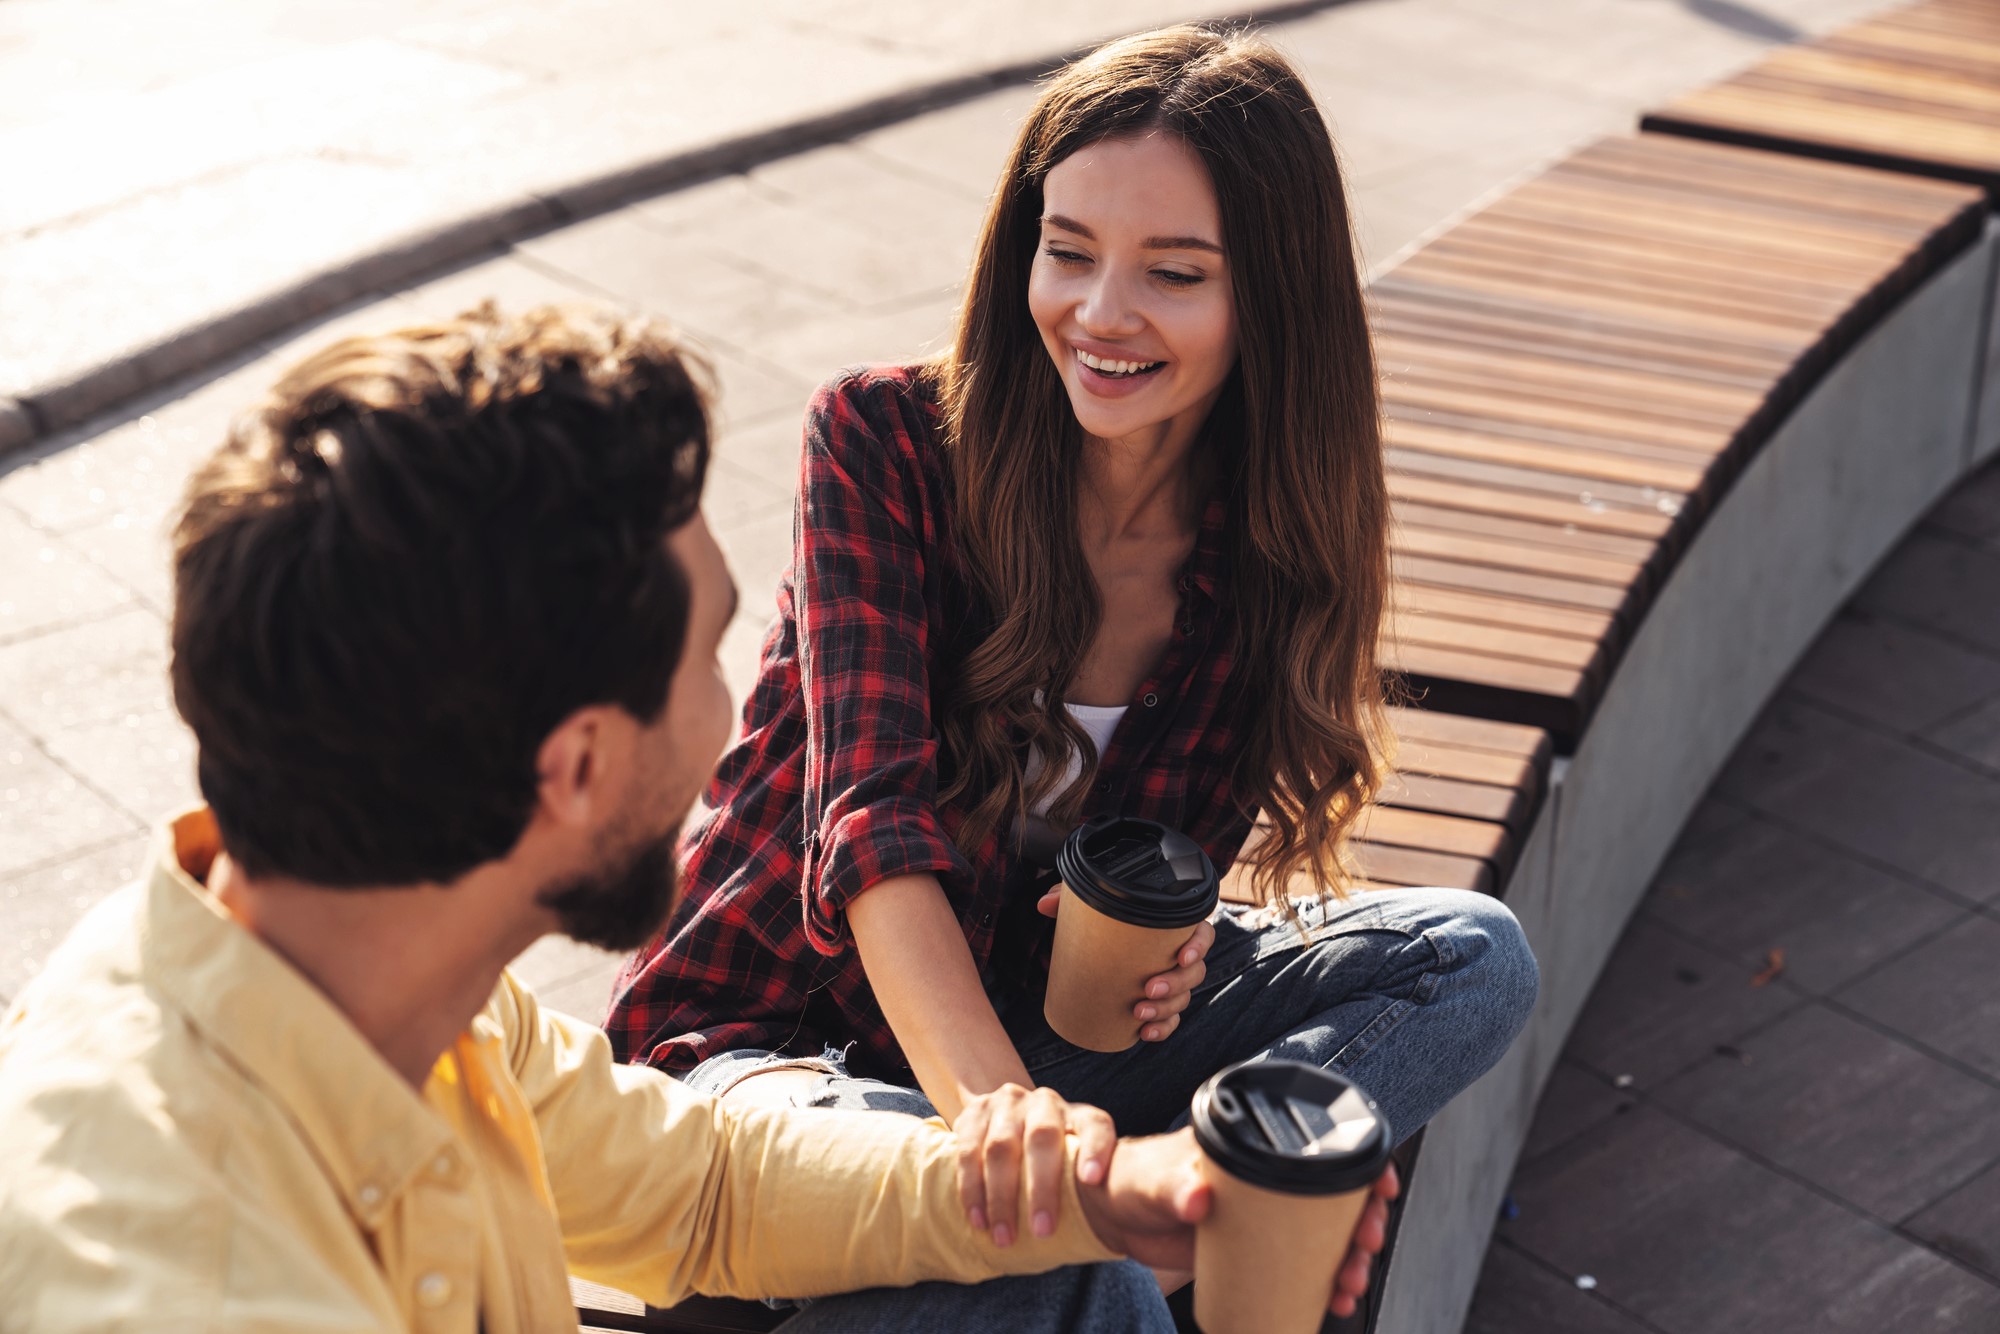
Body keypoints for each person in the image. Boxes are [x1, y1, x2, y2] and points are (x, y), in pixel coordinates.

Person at [0, 306, 1395, 1333]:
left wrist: (1108, 1186)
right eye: (711, 655)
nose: (737, 716)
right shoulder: (187, 1277)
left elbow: (706, 1181)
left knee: (1076, 1279)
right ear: (581, 766)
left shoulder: (355, 968)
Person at [609, 20, 1539, 1304]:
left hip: (1029, 1044)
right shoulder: (884, 442)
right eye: (1068, 251)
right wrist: (1019, 1136)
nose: (1099, 315)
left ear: (1268, 295)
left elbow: (1138, 889)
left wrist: (1152, 957)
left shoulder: (1262, 549)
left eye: (1173, 272)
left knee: (1471, 955)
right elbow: (872, 836)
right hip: (777, 1055)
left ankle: (1143, 1219)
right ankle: (1125, 1245)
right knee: (1084, 1266)